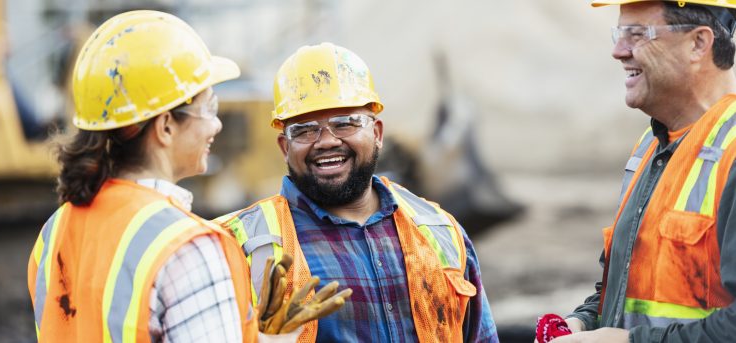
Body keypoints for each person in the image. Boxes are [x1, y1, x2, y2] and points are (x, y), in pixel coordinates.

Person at [26, 11, 344, 342]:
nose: (216, 125)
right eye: (209, 108)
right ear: (165, 127)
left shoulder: (56, 229)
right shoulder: (190, 247)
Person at [215, 42, 498, 342]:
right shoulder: (236, 245)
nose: (326, 141)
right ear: (285, 147)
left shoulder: (440, 230)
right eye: (305, 129)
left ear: (377, 133)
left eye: (345, 123)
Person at [551, 1, 736, 342]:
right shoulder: (649, 148)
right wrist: (583, 322)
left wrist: (627, 341)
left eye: (637, 34)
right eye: (619, 34)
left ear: (699, 43)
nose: (618, 51)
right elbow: (627, 293)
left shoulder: (732, 150)